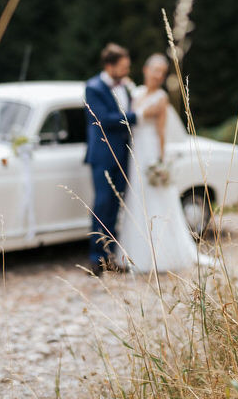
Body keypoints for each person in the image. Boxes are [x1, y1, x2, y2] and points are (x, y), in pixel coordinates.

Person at [117, 53, 216, 273]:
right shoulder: (136, 93)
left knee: (156, 199)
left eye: (162, 73)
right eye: (155, 71)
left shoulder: (161, 97)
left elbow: (161, 131)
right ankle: (133, 253)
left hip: (151, 150)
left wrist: (160, 161)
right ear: (145, 70)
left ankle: (162, 255)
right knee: (136, 199)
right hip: (135, 151)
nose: (158, 76)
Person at [84, 43, 137, 275]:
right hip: (103, 155)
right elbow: (104, 119)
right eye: (123, 67)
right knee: (102, 204)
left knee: (116, 205)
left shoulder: (125, 87)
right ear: (110, 65)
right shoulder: (93, 87)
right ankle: (96, 258)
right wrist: (138, 116)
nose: (126, 71)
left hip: (123, 153)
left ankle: (110, 255)